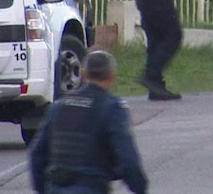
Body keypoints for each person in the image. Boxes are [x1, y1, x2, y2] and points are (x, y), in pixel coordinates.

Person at [29, 51, 148, 194]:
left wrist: (43, 190)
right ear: (112, 77)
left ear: (84, 74)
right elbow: (129, 162)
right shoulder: (112, 108)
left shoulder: (58, 106)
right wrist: (140, 188)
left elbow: (37, 154)